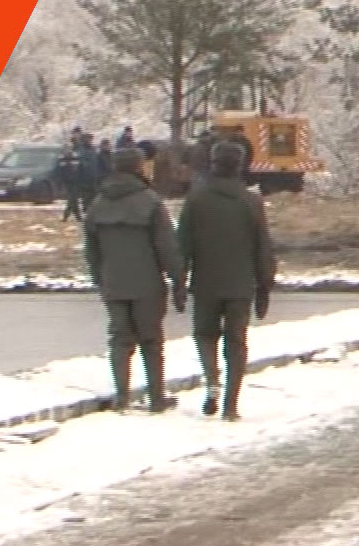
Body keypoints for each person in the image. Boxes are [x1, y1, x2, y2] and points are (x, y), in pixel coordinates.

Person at [176, 140, 277, 421]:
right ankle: (231, 405)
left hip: (206, 282)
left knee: (205, 335)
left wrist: (179, 282)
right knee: (236, 342)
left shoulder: (196, 200)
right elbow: (263, 247)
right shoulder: (251, 202)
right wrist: (264, 287)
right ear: (240, 165)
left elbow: (182, 245)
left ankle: (212, 381)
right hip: (240, 284)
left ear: (213, 163)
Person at [83, 146, 185, 414]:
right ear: (139, 167)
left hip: (113, 282)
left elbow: (91, 249)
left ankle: (122, 398)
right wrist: (178, 279)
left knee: (119, 339)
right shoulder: (150, 202)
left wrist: (100, 279)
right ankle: (156, 397)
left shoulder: (98, 203)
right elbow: (167, 246)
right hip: (147, 282)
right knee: (151, 340)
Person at [56, 142, 85, 222]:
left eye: (69, 148)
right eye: (66, 148)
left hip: (76, 181)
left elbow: (80, 169)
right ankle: (78, 217)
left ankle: (66, 216)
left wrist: (81, 179)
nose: (67, 150)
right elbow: (59, 171)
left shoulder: (76, 157)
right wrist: (60, 181)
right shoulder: (61, 158)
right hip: (67, 181)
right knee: (73, 199)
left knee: (72, 199)